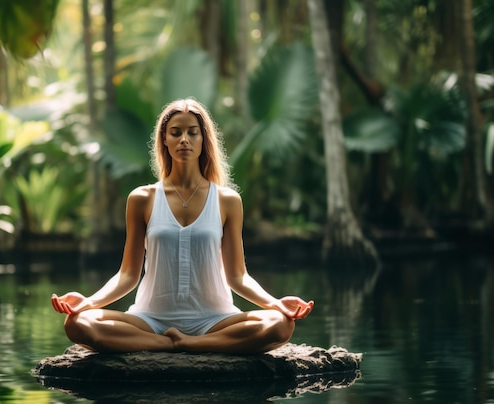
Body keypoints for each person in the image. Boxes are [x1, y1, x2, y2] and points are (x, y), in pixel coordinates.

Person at [51, 98, 314, 354]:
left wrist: (275, 303)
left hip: (215, 320)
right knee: (77, 323)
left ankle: (192, 344)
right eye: (175, 133)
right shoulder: (142, 198)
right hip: (151, 320)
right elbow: (127, 276)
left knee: (280, 325)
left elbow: (238, 277)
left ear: (203, 139)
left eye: (192, 132)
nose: (184, 140)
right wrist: (88, 302)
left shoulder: (227, 201)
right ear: (164, 140)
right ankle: (166, 343)